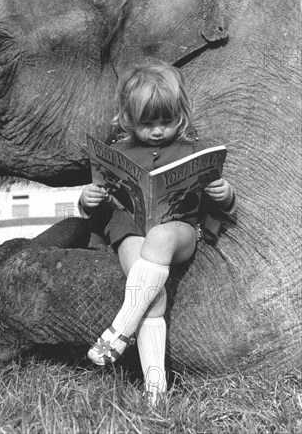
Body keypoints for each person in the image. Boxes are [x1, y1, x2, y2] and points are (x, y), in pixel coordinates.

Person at [79, 61, 236, 403]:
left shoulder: (194, 151)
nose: (157, 131)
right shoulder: (116, 154)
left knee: (161, 237)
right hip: (130, 230)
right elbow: (99, 207)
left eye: (166, 121)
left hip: (177, 229)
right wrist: (88, 200)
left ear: (180, 115)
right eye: (146, 123)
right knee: (152, 292)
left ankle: (120, 329)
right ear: (127, 118)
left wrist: (225, 195)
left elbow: (217, 204)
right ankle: (155, 389)